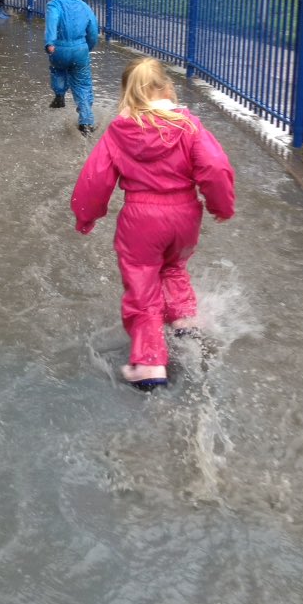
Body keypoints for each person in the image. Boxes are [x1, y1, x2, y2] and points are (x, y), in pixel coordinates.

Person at [70, 57, 235, 390]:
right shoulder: (189, 126)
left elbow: (96, 178)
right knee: (173, 267)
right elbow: (215, 167)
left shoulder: (121, 130)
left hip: (142, 219)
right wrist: (221, 205)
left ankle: (148, 363)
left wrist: (86, 215)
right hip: (185, 215)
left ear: (128, 93)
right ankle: (186, 321)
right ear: (167, 87)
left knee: (143, 284)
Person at [44, 0, 99, 135]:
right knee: (83, 84)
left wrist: (50, 42)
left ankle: (59, 96)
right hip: (80, 50)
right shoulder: (84, 6)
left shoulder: (54, 5)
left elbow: (52, 22)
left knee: (58, 70)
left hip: (58, 49)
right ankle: (86, 122)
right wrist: (87, 47)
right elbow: (93, 31)